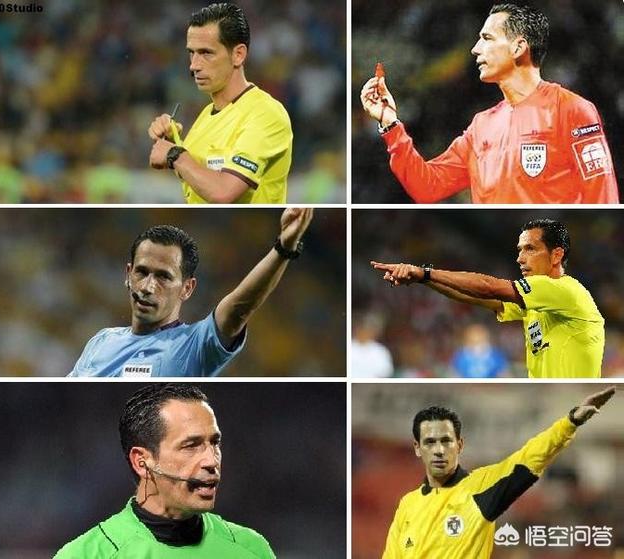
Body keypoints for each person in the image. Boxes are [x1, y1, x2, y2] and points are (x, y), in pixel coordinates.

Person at [360, 3, 619, 204]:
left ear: (518, 48)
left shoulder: (572, 109)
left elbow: (603, 197)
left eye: (487, 38)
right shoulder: (481, 126)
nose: (475, 48)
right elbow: (427, 186)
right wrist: (390, 124)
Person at [69, 208, 313, 377]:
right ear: (128, 274)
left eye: (164, 277)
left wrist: (283, 249)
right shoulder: (101, 341)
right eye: (142, 272)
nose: (147, 287)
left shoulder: (193, 346)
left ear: (187, 288)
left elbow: (239, 308)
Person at [381, 386, 616, 558]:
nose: (439, 450)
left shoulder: (481, 487)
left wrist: (569, 423)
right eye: (430, 442)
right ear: (417, 448)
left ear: (459, 445)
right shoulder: (408, 504)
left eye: (446, 441)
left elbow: (529, 458)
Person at [54, 383, 276, 558]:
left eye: (214, 443)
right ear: (142, 462)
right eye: (191, 446)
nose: (211, 461)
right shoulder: (87, 554)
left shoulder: (252, 549)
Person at [371, 218, 604, 378]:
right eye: (520, 250)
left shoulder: (564, 291)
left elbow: (488, 287)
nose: (520, 259)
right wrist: (424, 279)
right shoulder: (537, 302)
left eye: (530, 249)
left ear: (556, 255)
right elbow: (473, 297)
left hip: (572, 402)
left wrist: (426, 273)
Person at [148, 3, 292, 204]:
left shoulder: (265, 113)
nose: (193, 65)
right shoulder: (206, 115)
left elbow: (223, 192)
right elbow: (198, 178)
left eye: (206, 53)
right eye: (192, 53)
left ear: (238, 54)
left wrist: (174, 155)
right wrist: (172, 143)